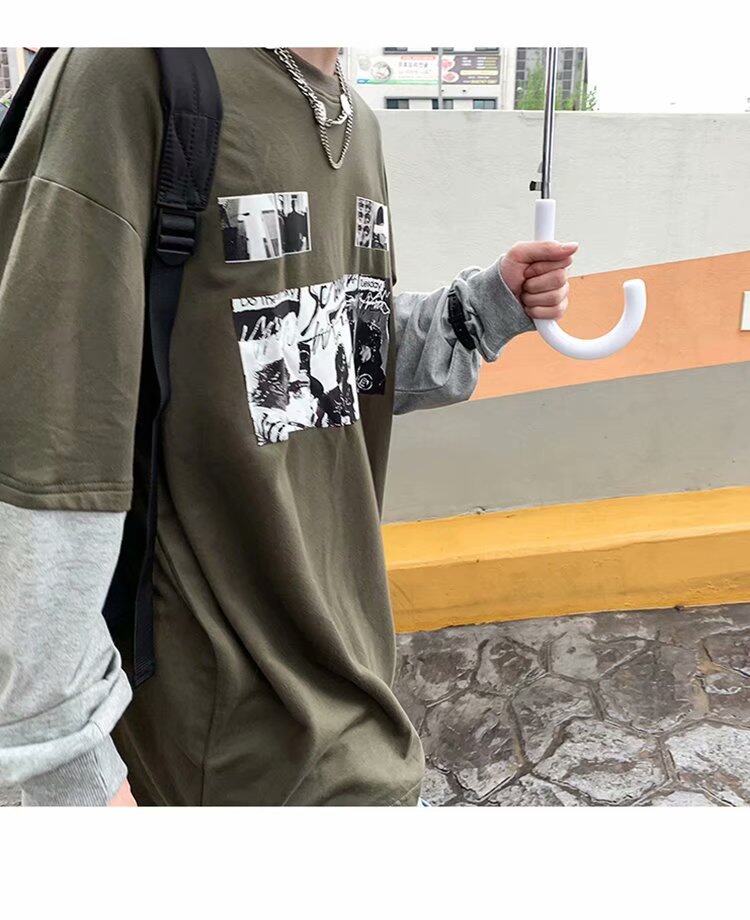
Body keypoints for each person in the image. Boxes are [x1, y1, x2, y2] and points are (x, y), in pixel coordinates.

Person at [0, 47, 577, 806]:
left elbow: (327, 362)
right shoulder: (133, 66)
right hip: (221, 737)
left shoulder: (356, 120)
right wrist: (75, 778)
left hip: (356, 696)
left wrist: (486, 307)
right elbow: (47, 448)